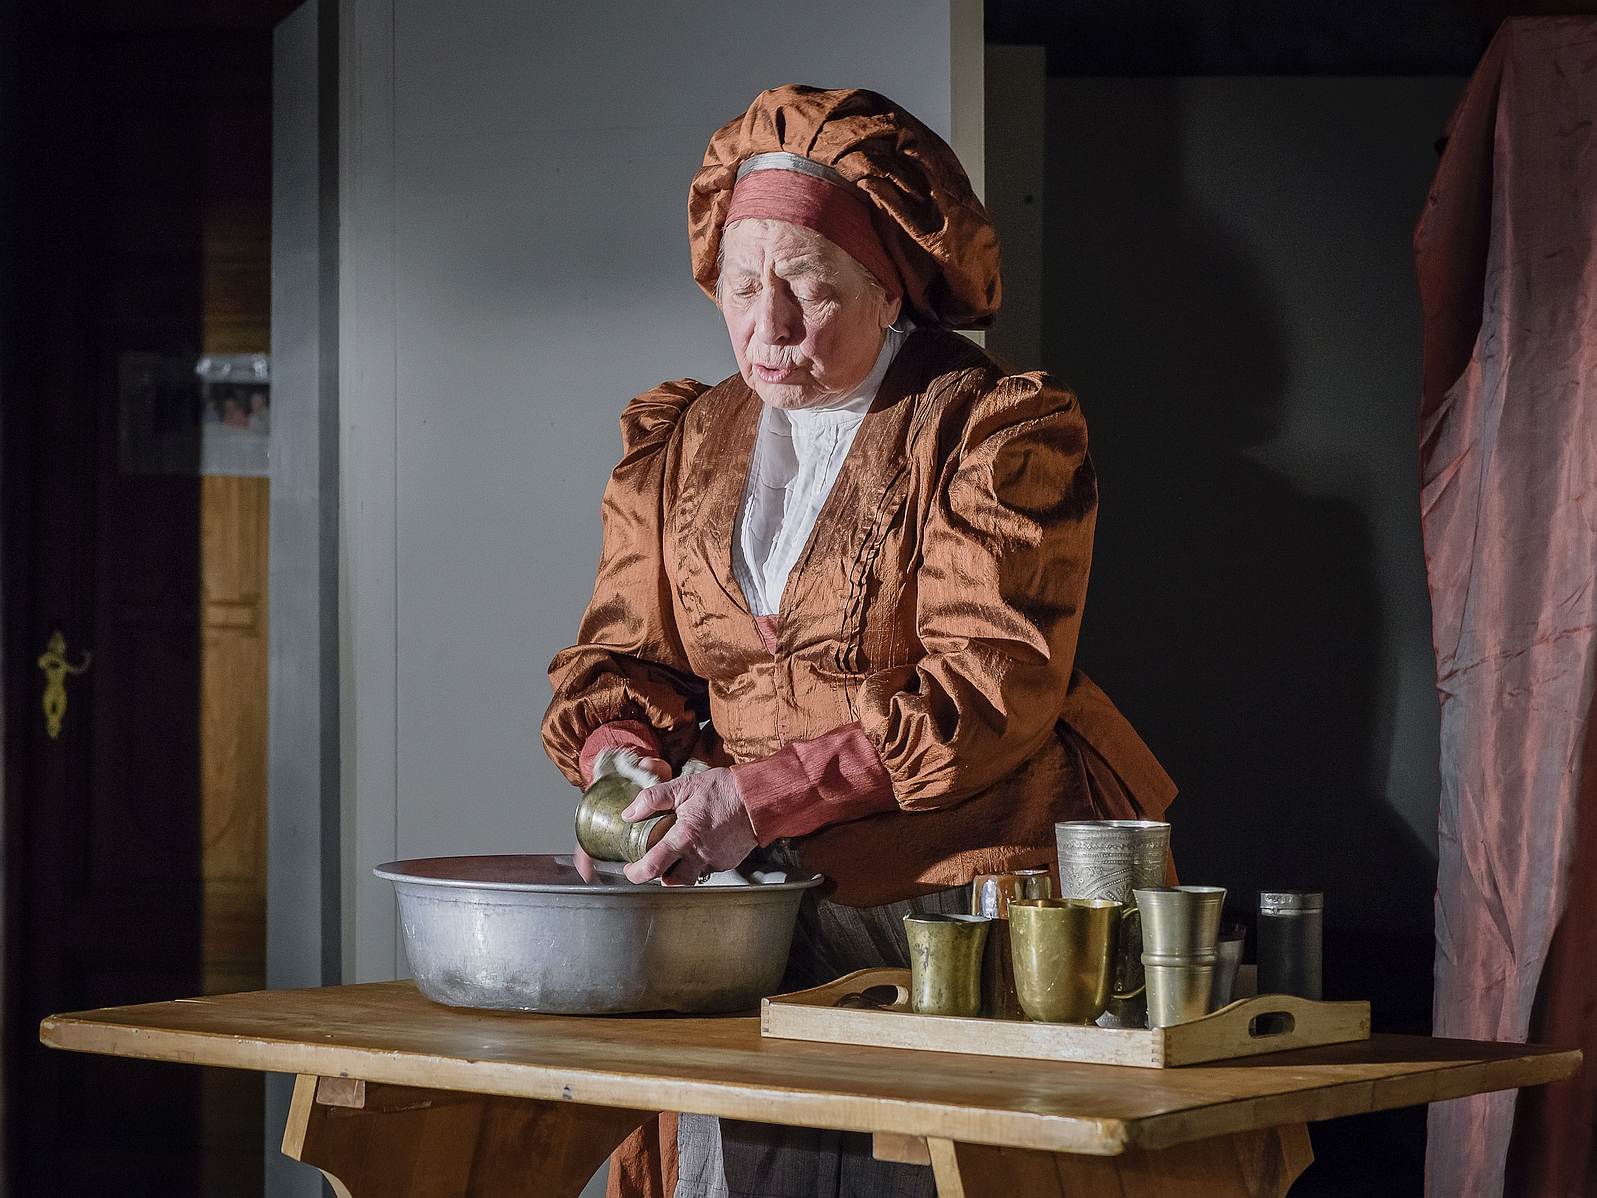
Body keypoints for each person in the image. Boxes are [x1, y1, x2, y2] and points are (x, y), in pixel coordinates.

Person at [542, 84, 1175, 1198]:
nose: (768, 327)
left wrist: (758, 797)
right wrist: (622, 756)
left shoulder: (991, 428)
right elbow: (623, 655)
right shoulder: (682, 439)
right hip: (755, 904)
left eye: (811, 289)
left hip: (961, 899)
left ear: (890, 292)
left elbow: (990, 686)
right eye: (743, 287)